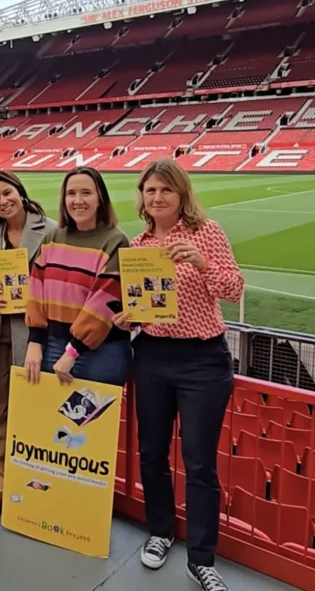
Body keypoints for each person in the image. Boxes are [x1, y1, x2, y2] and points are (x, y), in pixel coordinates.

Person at [111, 158, 244, 591]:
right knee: (151, 452)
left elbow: (234, 289)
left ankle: (202, 559)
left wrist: (203, 263)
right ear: (142, 197)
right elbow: (143, 308)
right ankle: (161, 531)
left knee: (199, 461)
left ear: (181, 194)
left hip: (203, 359)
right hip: (150, 354)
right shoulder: (138, 243)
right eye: (150, 191)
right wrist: (127, 318)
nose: (157, 198)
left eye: (165, 190)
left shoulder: (208, 232)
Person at [0, 170, 54, 514]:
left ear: (20, 191)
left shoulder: (50, 230)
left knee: (31, 410)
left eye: (7, 193)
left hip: (35, 335)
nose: (3, 201)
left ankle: (30, 477)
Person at [25, 167, 130, 387]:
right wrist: (34, 341)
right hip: (52, 346)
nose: (78, 200)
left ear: (100, 198)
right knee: (52, 421)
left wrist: (72, 352)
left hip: (102, 353)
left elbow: (103, 302)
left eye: (86, 193)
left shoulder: (115, 241)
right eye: (71, 193)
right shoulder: (52, 237)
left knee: (91, 421)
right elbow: (36, 290)